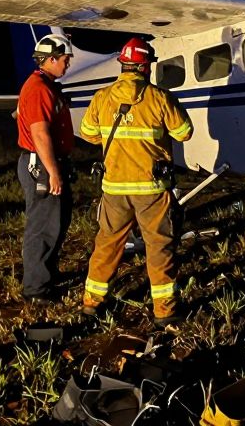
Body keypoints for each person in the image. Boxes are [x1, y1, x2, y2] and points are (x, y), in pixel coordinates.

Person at [80, 37, 193, 328]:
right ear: (145, 67)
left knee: (107, 243)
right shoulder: (159, 98)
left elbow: (89, 133)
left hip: (114, 188)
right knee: (159, 246)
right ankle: (164, 311)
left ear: (124, 65)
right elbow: (184, 133)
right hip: (152, 190)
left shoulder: (102, 97)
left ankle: (92, 303)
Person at [16, 33, 75, 303]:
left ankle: (46, 275)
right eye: (65, 59)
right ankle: (36, 289)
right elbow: (40, 134)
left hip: (45, 162)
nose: (68, 65)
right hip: (41, 164)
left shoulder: (46, 85)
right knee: (42, 227)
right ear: (50, 59)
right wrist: (53, 172)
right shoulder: (39, 88)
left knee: (56, 223)